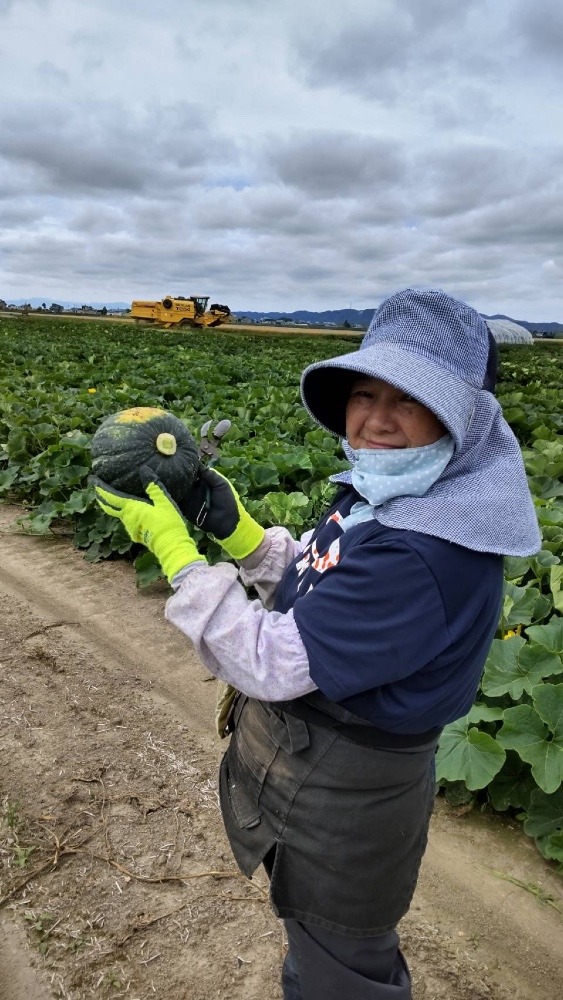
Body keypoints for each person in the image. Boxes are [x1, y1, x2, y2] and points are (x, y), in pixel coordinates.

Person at [93, 288, 541, 999]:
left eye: (409, 400)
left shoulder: (425, 550)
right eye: (365, 394)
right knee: (317, 938)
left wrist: (177, 556)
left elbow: (271, 660)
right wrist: (243, 537)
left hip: (346, 787)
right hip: (312, 766)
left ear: (461, 420)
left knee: (338, 972)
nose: (377, 420)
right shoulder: (391, 495)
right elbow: (319, 579)